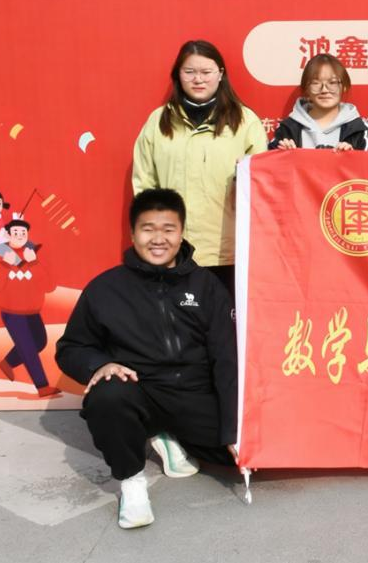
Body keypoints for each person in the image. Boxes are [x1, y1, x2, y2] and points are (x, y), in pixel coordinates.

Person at [55, 189, 237, 530]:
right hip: (140, 390)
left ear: (181, 232)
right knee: (108, 394)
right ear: (133, 233)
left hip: (194, 394)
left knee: (242, 458)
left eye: (168, 229)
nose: (158, 239)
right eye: (148, 229)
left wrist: (233, 430)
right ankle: (132, 481)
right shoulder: (105, 288)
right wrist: (99, 365)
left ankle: (169, 435)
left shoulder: (207, 287)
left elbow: (227, 358)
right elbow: (71, 348)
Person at [132, 40, 267, 294]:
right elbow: (144, 183)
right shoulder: (158, 122)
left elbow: (263, 184)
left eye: (206, 72)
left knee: (223, 318)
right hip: (172, 249)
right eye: (190, 72)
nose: (198, 79)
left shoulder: (244, 121)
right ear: (178, 75)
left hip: (227, 251)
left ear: (220, 74)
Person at [0, 217, 61, 397]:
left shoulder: (33, 256)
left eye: (23, 232)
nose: (20, 235)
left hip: (33, 311)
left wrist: (34, 263)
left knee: (39, 342)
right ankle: (42, 386)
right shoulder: (3, 259)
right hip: (12, 313)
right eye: (15, 232)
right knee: (29, 348)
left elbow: (49, 286)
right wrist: (5, 265)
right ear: (8, 235)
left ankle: (7, 363)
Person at [271, 53, 368, 151]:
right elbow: (268, 159)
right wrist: (281, 153)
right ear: (306, 89)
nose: (324, 90)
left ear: (344, 86)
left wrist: (353, 157)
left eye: (332, 82)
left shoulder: (360, 129)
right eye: (316, 83)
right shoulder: (288, 129)